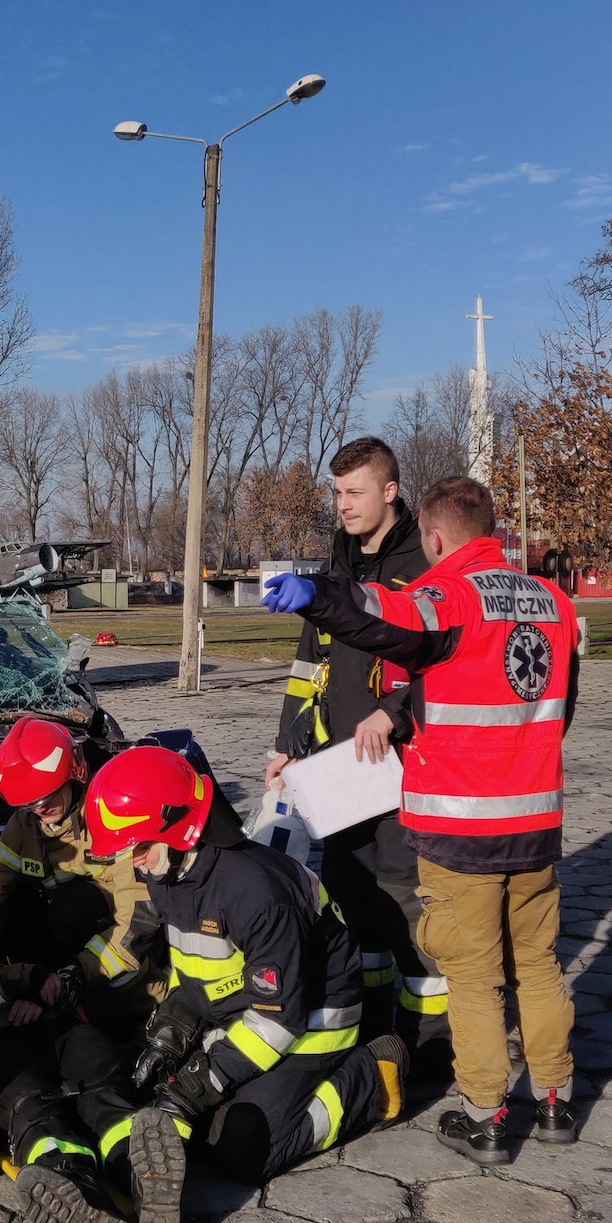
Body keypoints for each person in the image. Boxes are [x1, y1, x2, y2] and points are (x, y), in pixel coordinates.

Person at [263, 476, 580, 1166]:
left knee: (471, 975)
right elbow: (564, 707)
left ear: (435, 538)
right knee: (537, 962)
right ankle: (555, 1101)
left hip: (461, 824)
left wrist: (317, 595)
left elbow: (384, 616)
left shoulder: (453, 595)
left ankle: (485, 1115)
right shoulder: (554, 602)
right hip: (536, 820)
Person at [86, 746, 409, 1223]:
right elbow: (194, 970)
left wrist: (200, 1081)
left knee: (244, 1149)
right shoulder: (169, 873)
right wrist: (173, 1029)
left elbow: (279, 1022)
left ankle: (369, 1079)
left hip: (313, 1020)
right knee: (158, 1088)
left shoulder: (257, 892)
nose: (134, 860)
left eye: (139, 845)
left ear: (178, 827)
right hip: (247, 1008)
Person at [0, 717, 164, 1223]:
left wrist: (77, 975)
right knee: (61, 1084)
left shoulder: (113, 811)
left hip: (121, 982)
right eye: (27, 801)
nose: (38, 809)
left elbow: (139, 924)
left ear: (75, 773)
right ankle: (78, 1179)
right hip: (53, 988)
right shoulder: (24, 826)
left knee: (84, 1079)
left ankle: (142, 1177)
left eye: (46, 796)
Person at [266, 437, 434, 1058]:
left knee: (403, 896)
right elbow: (307, 665)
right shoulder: (334, 567)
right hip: (339, 772)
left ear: (390, 492)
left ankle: (429, 1038)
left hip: (401, 767)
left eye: (355, 492)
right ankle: (370, 1026)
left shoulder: (423, 564)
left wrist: (393, 714)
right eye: (336, 493)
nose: (343, 504)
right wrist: (287, 744)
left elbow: (441, 665)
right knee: (348, 895)